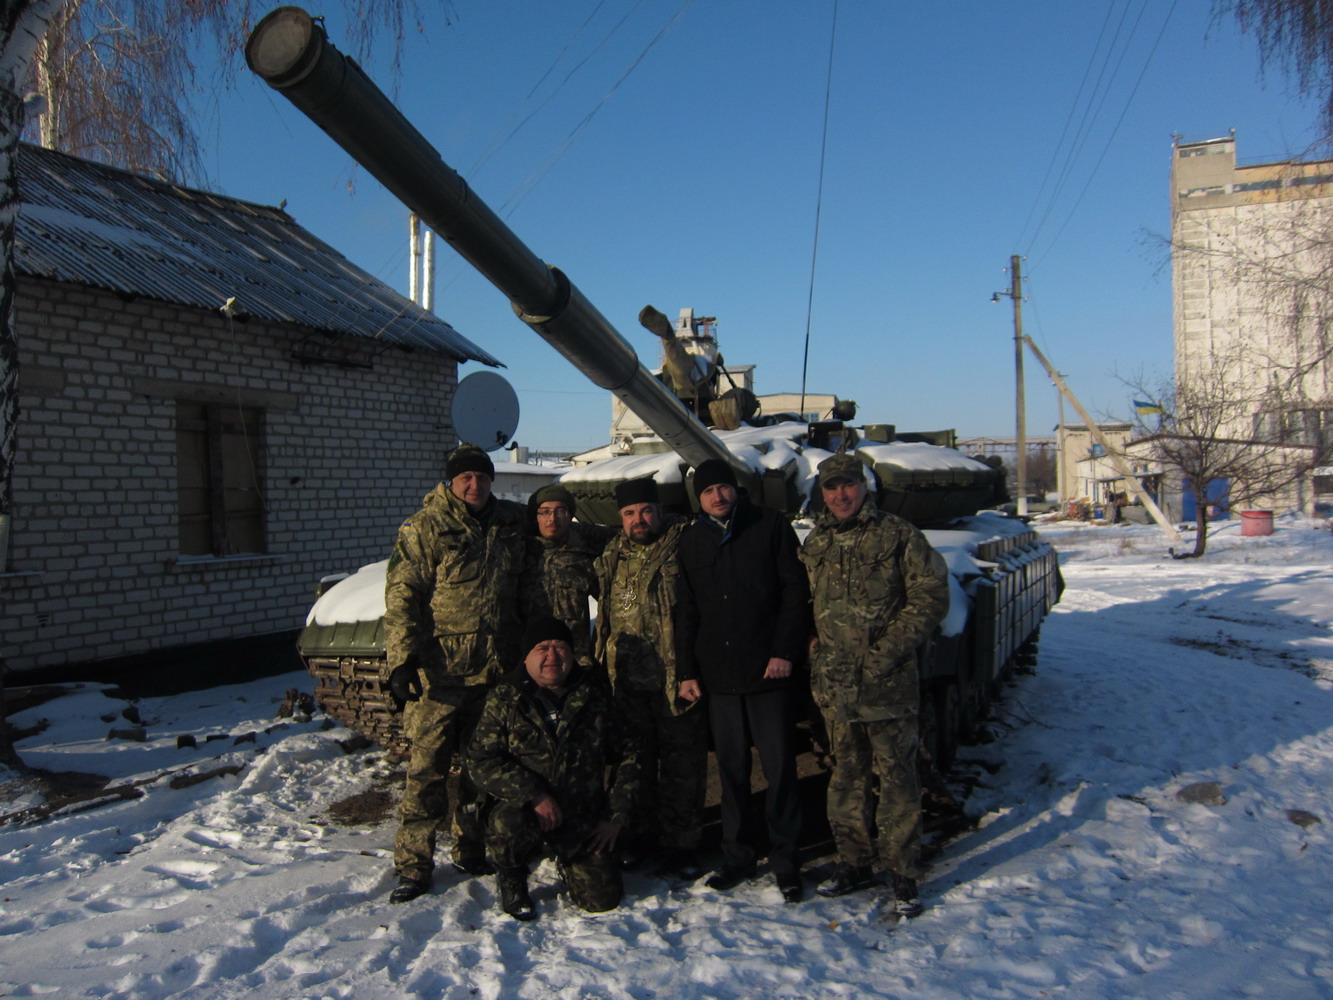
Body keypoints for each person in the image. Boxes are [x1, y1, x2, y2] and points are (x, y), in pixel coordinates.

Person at [799, 452, 949, 917]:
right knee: (846, 777)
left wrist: (886, 652)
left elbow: (930, 595)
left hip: (887, 684)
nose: (840, 494)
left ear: (863, 486)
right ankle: (854, 862)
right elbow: (802, 598)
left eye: (848, 484)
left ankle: (903, 871)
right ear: (822, 493)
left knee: (898, 779)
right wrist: (810, 642)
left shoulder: (897, 534)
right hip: (836, 686)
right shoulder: (816, 541)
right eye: (831, 487)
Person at [382, 442, 529, 904]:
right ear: (450, 481)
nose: (474, 485)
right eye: (465, 477)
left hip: (495, 670)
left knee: (481, 769)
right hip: (440, 676)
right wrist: (402, 659)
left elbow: (557, 530)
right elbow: (402, 595)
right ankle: (413, 865)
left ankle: (470, 848)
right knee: (426, 773)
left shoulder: (511, 521)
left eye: (482, 477)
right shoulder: (425, 527)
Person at [675, 459, 811, 903]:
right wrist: (687, 670)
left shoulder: (769, 526)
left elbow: (795, 591)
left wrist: (784, 651)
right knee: (732, 772)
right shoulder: (691, 540)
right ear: (698, 498)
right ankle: (737, 856)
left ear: (735, 490)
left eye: (723, 487)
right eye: (707, 491)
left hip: (769, 671)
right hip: (719, 676)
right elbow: (686, 610)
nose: (717, 496)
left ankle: (786, 861)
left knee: (779, 770)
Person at [467, 616, 642, 921]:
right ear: (526, 657)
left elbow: (630, 752)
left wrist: (616, 815)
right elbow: (481, 759)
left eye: (561, 647)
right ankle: (511, 872)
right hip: (526, 809)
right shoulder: (506, 697)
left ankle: (568, 858)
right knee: (507, 824)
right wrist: (533, 794)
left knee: (601, 900)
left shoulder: (594, 695)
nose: (552, 656)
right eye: (542, 648)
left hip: (581, 810)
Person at [593, 476, 707, 876]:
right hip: (627, 683)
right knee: (635, 764)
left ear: (659, 511)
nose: (638, 519)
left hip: (675, 678)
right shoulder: (613, 553)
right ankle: (640, 837)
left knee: (682, 766)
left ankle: (682, 845)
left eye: (645, 510)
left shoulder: (684, 543)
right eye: (629, 513)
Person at [522, 483, 617, 663]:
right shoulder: (519, 554)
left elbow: (612, 604)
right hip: (529, 658)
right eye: (545, 512)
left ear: (570, 515)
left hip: (574, 658)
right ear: (536, 516)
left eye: (560, 511)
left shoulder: (584, 554)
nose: (553, 519)